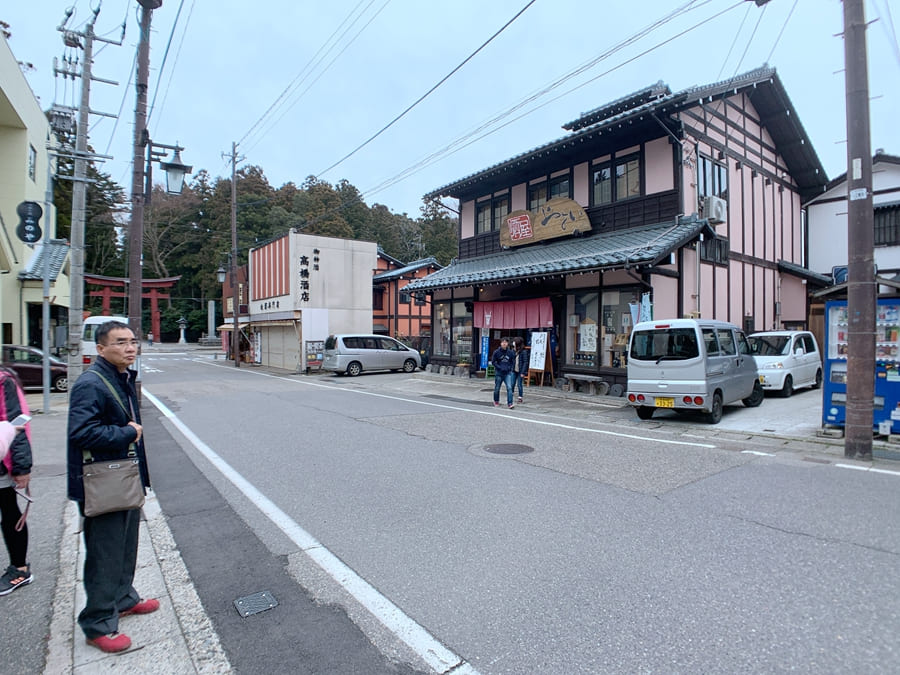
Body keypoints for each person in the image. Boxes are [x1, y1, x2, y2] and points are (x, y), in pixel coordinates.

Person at [67, 322, 157, 653]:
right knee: (105, 552)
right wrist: (127, 433)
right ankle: (97, 622)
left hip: (121, 478)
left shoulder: (120, 377)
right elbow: (81, 432)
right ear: (101, 348)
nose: (130, 348)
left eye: (133, 341)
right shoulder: (92, 384)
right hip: (102, 482)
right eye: (120, 343)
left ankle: (123, 598)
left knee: (124, 544)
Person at [0, 366, 33, 597]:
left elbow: (18, 423)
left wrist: (21, 467)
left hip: (3, 462)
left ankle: (20, 569)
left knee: (9, 511)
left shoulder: (4, 381)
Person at [491, 337, 516, 408]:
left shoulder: (510, 352)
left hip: (507, 373)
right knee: (497, 388)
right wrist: (499, 367)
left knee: (509, 388)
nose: (504, 343)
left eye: (505, 342)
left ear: (508, 343)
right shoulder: (496, 352)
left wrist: (510, 368)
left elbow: (512, 362)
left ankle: (510, 403)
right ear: (500, 343)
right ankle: (496, 401)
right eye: (503, 342)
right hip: (499, 373)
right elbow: (493, 362)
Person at [512, 336, 529, 404]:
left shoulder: (523, 351)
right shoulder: (513, 351)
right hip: (513, 370)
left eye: (514, 342)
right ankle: (511, 395)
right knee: (512, 383)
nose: (513, 343)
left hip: (520, 370)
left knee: (519, 384)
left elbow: (525, 362)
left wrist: (523, 372)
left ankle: (520, 397)